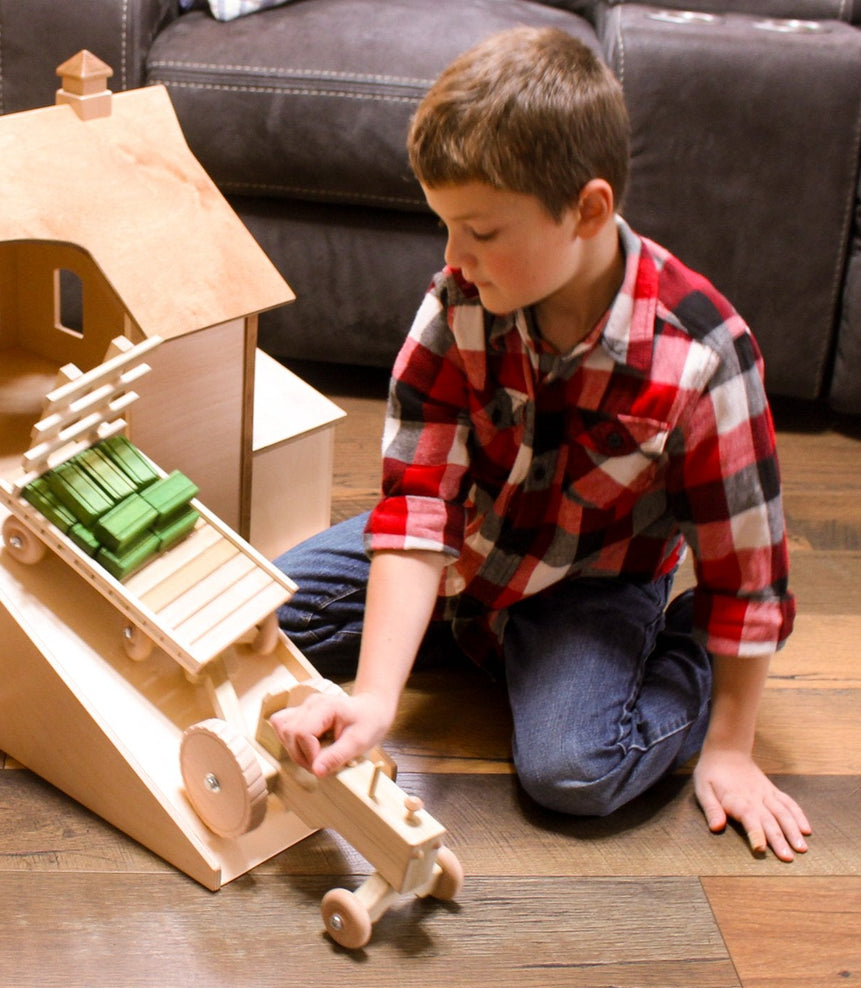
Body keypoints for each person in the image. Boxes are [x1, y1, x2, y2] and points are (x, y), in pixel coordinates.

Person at [267, 26, 811, 861]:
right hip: (468, 550)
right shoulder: (457, 301)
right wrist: (376, 698)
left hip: (589, 581)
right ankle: (465, 642)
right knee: (252, 618)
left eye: (479, 232)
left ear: (587, 210)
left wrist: (730, 747)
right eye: (445, 227)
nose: (453, 256)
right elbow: (416, 510)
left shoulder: (703, 355)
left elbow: (748, 570)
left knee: (572, 772)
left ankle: (678, 642)